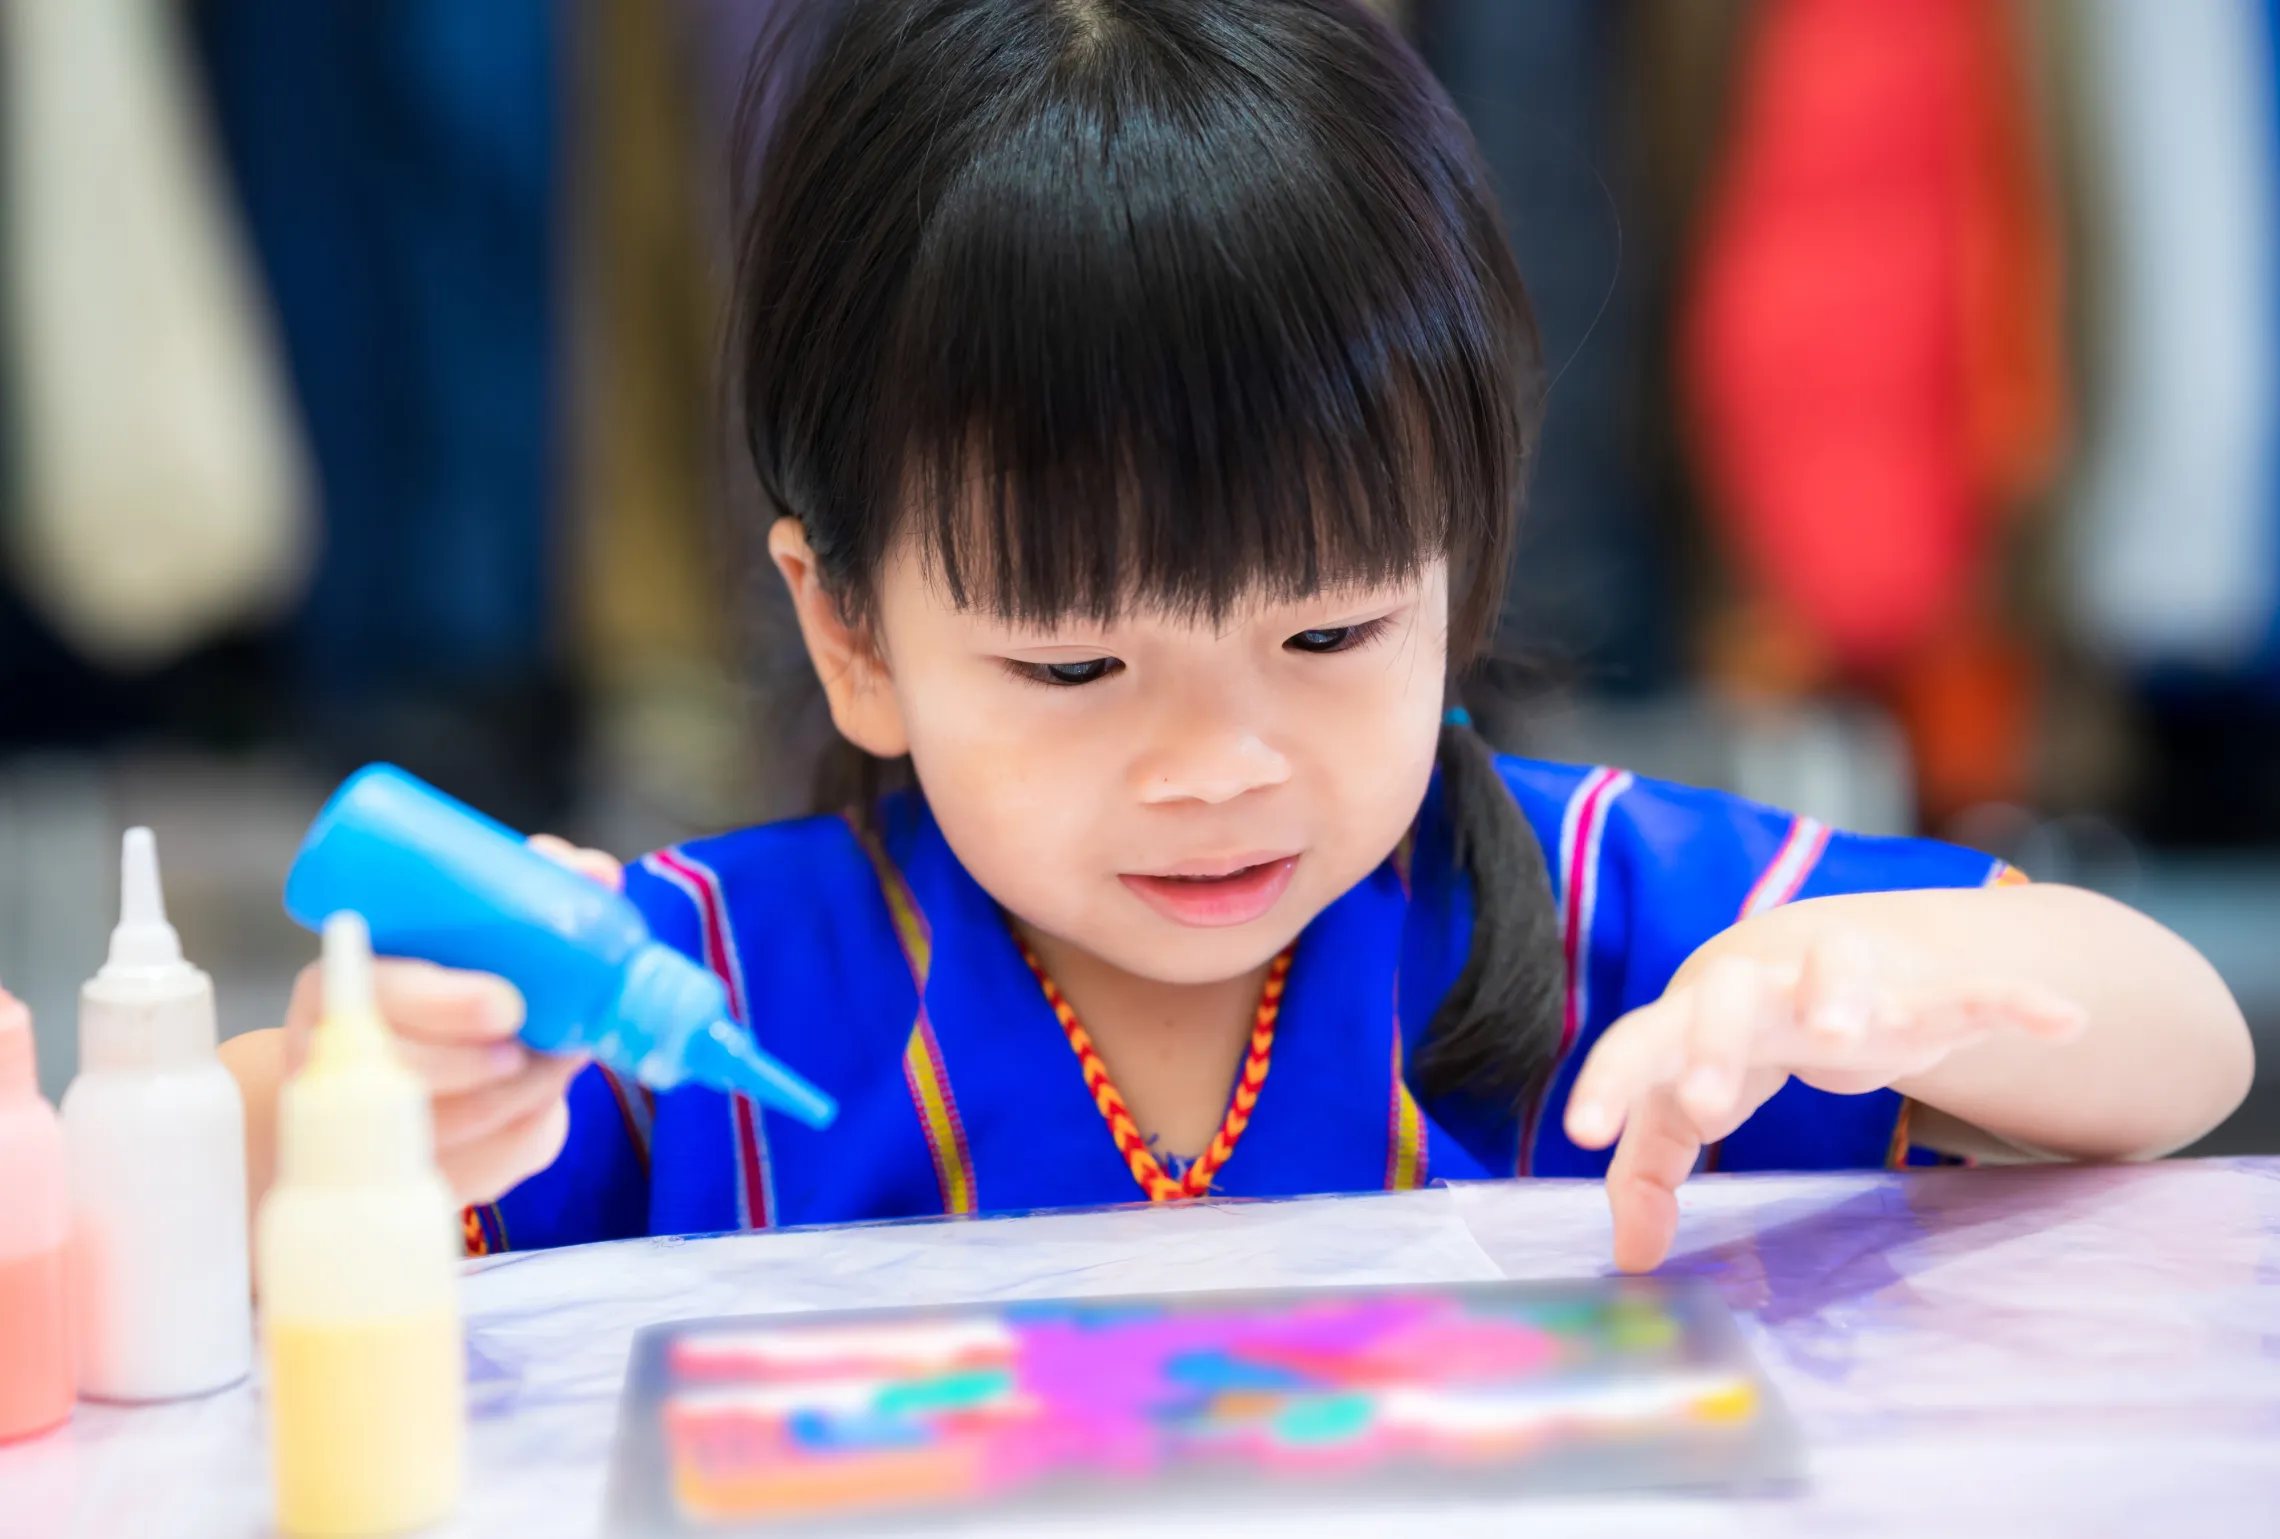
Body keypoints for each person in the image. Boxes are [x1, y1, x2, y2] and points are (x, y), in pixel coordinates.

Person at [222, 0, 2251, 1274]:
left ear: (1457, 563)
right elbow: (201, 1216)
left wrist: (1904, 981)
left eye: (1333, 628)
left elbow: (2186, 1049)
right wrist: (328, 1105)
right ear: (846, 630)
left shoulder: (1596, 915)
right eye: (1076, 668)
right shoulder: (689, 997)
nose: (1221, 765)